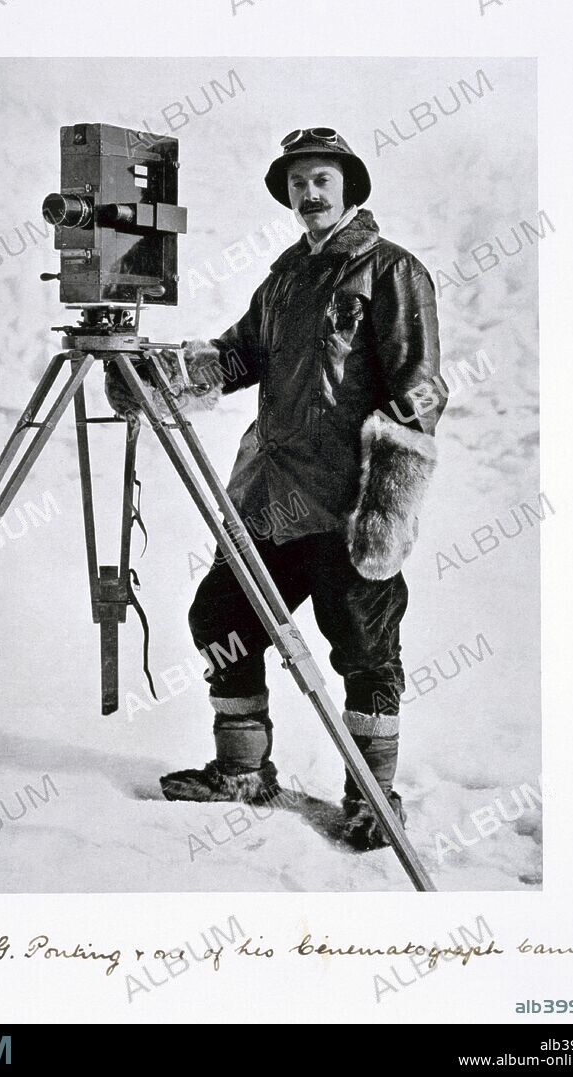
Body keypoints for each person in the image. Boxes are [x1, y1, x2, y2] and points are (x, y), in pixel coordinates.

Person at [108, 127, 447, 850]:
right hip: (270, 498)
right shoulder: (286, 277)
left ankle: (371, 795)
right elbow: (237, 356)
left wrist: (384, 507)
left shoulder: (393, 272)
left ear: (349, 186)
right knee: (221, 619)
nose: (309, 193)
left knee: (364, 648)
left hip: (346, 505)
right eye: (298, 183)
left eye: (321, 178)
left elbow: (419, 393)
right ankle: (242, 772)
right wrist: (155, 371)